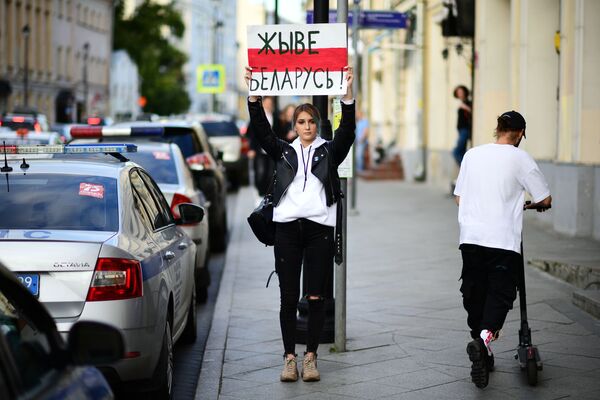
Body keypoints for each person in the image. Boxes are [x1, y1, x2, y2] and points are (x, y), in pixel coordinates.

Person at [244, 65, 355, 383]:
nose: (306, 126)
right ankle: (289, 358)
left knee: (317, 295)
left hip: (320, 229)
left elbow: (347, 132)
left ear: (317, 125)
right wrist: (254, 96)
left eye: (311, 121)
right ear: (294, 126)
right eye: (301, 122)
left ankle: (311, 358)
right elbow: (262, 133)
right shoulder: (283, 151)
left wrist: (346, 95)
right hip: (287, 230)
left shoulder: (329, 151)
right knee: (289, 297)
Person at [453, 110, 552, 389]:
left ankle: (482, 346)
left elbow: (459, 198)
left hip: (471, 238)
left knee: (474, 292)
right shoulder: (521, 157)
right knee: (500, 294)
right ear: (520, 133)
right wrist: (533, 205)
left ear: (498, 129)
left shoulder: (472, 154)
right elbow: (545, 197)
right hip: (503, 240)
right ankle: (483, 340)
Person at [246, 96, 280, 196]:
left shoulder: (276, 117)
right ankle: (260, 192)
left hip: (272, 151)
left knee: (271, 173)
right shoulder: (258, 117)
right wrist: (251, 148)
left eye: (270, 103)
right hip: (259, 150)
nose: (269, 105)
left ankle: (268, 193)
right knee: (260, 173)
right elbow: (251, 134)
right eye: (267, 103)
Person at [452, 85, 472, 166]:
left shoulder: (468, 102)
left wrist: (465, 107)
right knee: (462, 152)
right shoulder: (462, 103)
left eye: (461, 92)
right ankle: (464, 173)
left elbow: (472, 112)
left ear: (464, 92)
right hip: (461, 130)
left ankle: (467, 168)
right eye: (458, 92)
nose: (459, 94)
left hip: (465, 129)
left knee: (456, 152)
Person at [355, 108, 369, 172]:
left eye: (357, 114)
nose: (357, 115)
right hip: (355, 141)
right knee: (355, 156)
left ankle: (360, 170)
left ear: (361, 114)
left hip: (361, 141)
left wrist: (361, 139)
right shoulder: (357, 122)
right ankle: (357, 169)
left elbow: (365, 131)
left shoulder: (365, 121)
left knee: (359, 155)